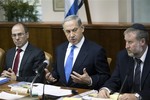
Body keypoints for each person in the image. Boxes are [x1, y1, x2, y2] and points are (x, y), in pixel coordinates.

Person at [45, 15, 110, 90]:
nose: (71, 35)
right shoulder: (60, 49)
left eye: (74, 30)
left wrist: (89, 80)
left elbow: (105, 76)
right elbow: (57, 73)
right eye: (68, 31)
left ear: (82, 28)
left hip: (84, 93)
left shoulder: (96, 50)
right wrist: (51, 78)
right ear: (64, 32)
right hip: (62, 93)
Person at [98, 23, 150, 100]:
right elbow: (115, 79)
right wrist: (105, 89)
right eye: (126, 41)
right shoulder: (123, 56)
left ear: (142, 42)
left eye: (130, 42)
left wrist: (137, 96)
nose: (126, 46)